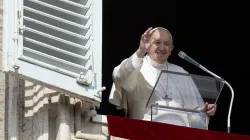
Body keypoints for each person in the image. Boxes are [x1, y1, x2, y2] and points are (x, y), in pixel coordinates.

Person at [108, 27, 217, 129]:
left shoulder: (180, 72)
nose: (162, 47)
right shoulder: (136, 65)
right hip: (144, 131)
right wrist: (141, 51)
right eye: (157, 42)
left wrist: (202, 112)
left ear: (171, 49)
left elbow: (194, 118)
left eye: (166, 44)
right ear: (148, 45)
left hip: (179, 134)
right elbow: (120, 77)